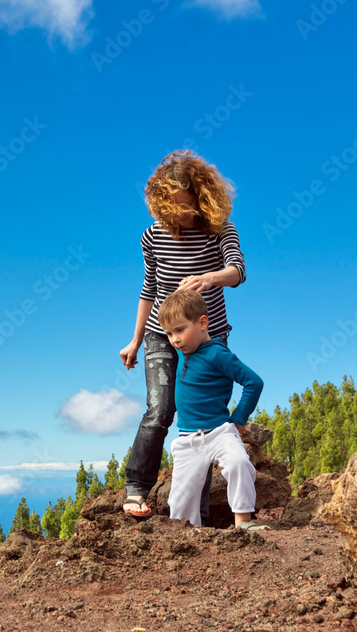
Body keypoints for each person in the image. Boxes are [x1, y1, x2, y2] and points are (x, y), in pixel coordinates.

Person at [119, 150, 246, 520]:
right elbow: (149, 288)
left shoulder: (221, 229)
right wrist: (136, 339)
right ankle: (136, 489)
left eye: (187, 205)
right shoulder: (153, 236)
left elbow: (237, 271)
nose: (180, 213)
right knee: (160, 409)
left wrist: (211, 278)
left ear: (203, 199)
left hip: (209, 338)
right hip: (162, 333)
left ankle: (197, 515)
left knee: (205, 418)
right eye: (171, 206)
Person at [157, 289, 265, 529]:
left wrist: (239, 418)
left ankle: (243, 522)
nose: (174, 339)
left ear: (202, 323)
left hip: (219, 432)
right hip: (187, 440)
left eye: (180, 330)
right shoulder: (183, 349)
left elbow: (253, 382)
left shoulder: (218, 354)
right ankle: (189, 538)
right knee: (180, 502)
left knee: (238, 463)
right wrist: (133, 346)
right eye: (169, 333)